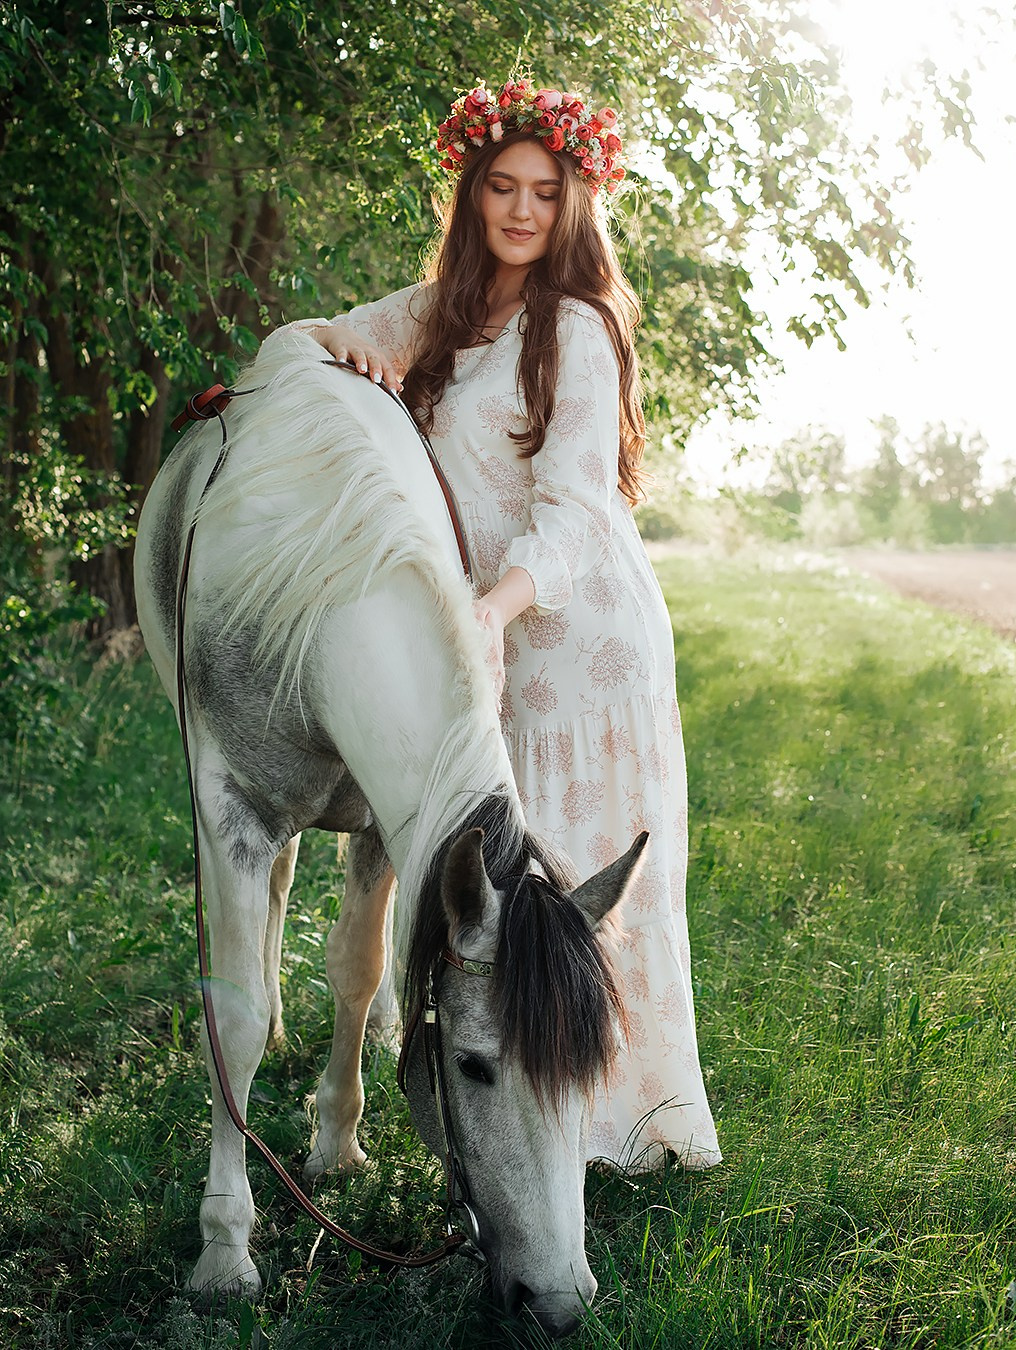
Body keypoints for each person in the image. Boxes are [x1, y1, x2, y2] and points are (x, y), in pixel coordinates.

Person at [283, 76, 721, 1172]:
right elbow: (308, 341)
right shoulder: (438, 311)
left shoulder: (573, 325)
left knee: (585, 882)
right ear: (473, 195)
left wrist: (494, 608)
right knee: (500, 888)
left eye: (545, 192)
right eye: (503, 188)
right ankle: (521, 1122)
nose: (523, 210)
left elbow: (575, 511)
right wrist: (360, 363)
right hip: (481, 639)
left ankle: (624, 1127)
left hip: (577, 635)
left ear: (575, 205)